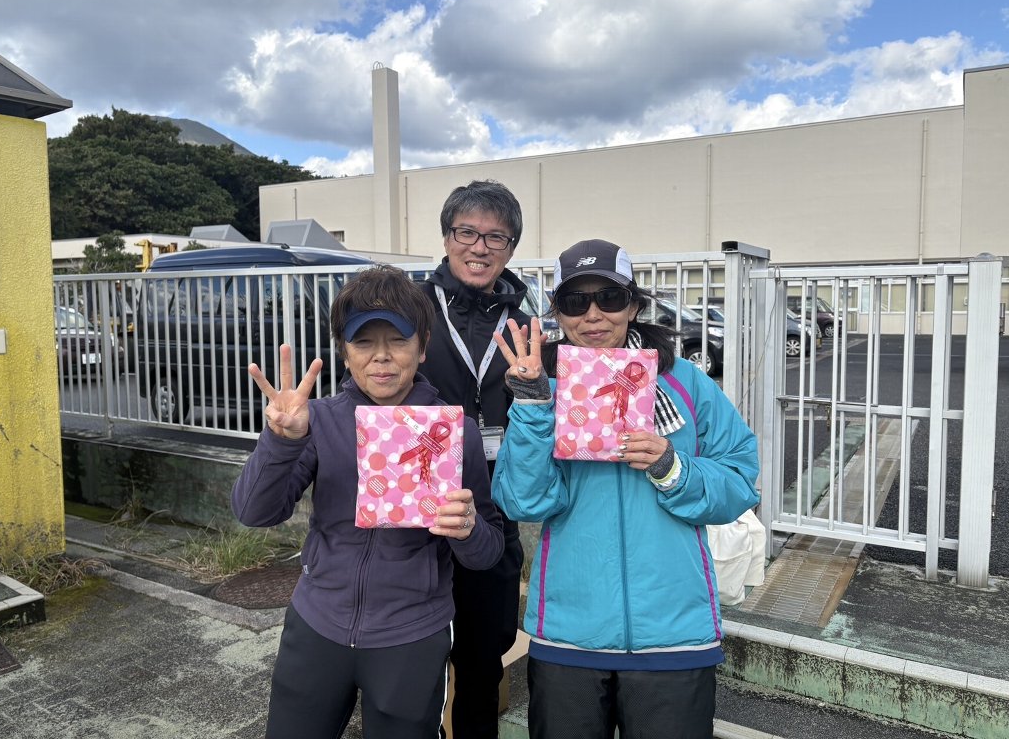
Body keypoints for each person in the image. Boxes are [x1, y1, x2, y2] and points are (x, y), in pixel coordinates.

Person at [490, 239, 761, 739]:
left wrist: (672, 467)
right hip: (570, 635)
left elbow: (740, 478)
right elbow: (523, 500)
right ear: (558, 313)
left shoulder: (684, 382)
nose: (593, 315)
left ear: (633, 305)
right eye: (576, 302)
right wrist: (530, 405)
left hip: (674, 634)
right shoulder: (545, 388)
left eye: (609, 298)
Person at [232, 265, 504, 739]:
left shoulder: (453, 431)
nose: (381, 357)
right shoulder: (316, 420)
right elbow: (254, 512)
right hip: (318, 623)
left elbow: (488, 550)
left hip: (412, 634)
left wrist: (468, 528)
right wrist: (281, 441)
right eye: (363, 342)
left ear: (422, 347)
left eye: (398, 340)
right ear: (344, 350)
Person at [417, 180, 531, 739]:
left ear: (510, 249)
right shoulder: (413, 310)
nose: (480, 248)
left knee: (485, 647)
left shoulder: (526, 323)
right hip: (419, 504)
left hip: (494, 502)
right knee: (413, 648)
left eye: (496, 237)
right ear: (446, 238)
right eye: (467, 232)